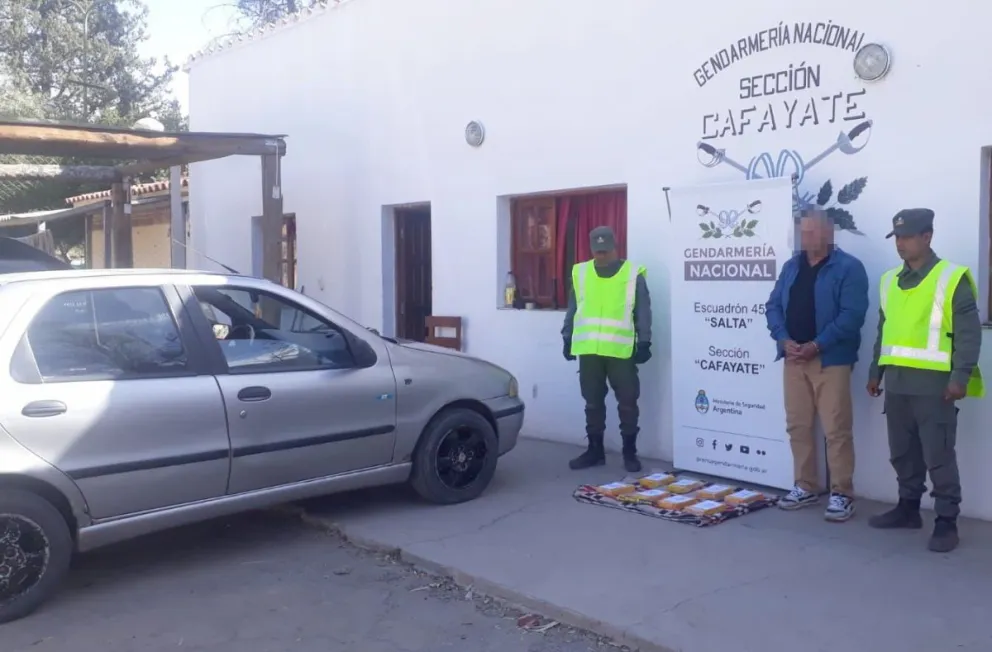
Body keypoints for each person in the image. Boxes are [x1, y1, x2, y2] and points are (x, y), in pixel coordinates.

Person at [866, 208, 983, 553]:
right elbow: (884, 331)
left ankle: (946, 521)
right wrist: (876, 372)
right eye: (897, 237)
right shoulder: (890, 280)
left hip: (935, 386)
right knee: (902, 452)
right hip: (899, 384)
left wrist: (959, 377)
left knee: (939, 455)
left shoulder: (951, 278)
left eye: (907, 236)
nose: (900, 243)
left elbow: (968, 334)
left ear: (927, 237)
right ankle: (908, 509)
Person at [765, 208, 869, 522]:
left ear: (829, 232)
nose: (806, 238)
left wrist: (816, 345)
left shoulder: (848, 268)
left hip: (830, 360)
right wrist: (784, 340)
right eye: (803, 232)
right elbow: (772, 306)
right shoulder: (791, 266)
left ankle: (842, 493)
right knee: (797, 425)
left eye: (811, 232)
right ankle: (805, 486)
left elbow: (852, 316)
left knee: (836, 430)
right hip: (793, 359)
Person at [561, 226, 652, 472]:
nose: (601, 255)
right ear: (592, 248)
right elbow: (574, 307)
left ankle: (630, 453)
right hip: (589, 351)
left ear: (615, 247)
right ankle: (595, 451)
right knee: (592, 403)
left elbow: (643, 311)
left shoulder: (633, 275)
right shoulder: (581, 273)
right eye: (597, 251)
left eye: (606, 250)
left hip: (620, 353)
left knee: (628, 402)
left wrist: (645, 341)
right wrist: (567, 337)